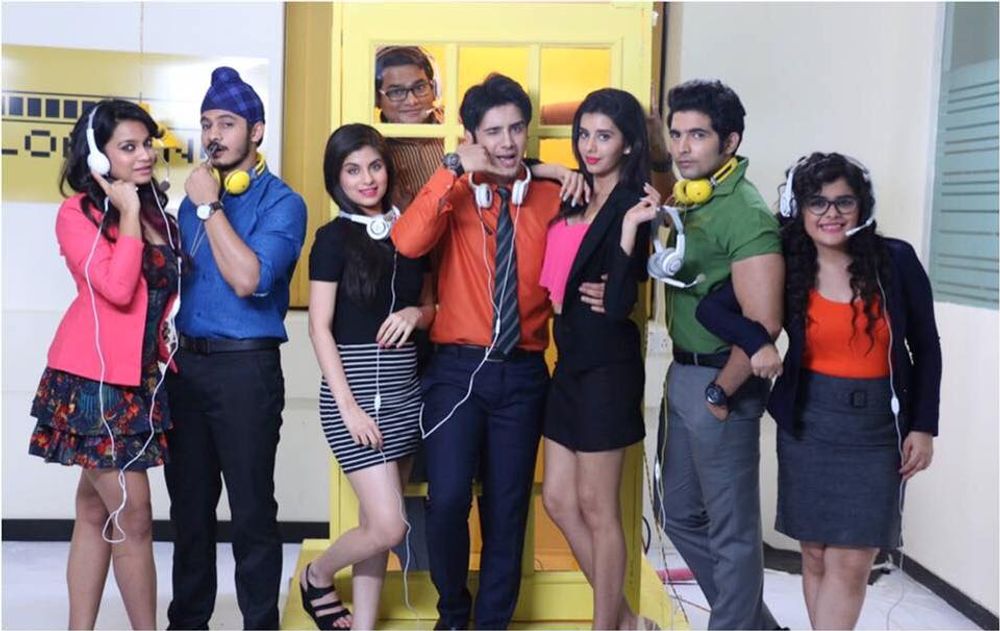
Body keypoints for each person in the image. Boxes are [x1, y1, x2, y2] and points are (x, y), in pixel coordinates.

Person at [696, 152, 942, 629]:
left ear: (862, 206)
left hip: (877, 427)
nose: (831, 213)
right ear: (799, 208)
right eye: (817, 202)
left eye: (843, 201)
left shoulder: (895, 261)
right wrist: (758, 342)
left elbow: (926, 347)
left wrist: (924, 426)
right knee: (814, 553)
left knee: (851, 560)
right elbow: (713, 309)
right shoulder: (787, 265)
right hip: (810, 420)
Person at [392, 73, 561, 630]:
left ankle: (492, 623)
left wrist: (551, 171)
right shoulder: (454, 191)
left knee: (507, 509)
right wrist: (451, 170)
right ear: (470, 137)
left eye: (516, 128)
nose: (507, 142)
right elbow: (407, 242)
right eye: (493, 132)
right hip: (455, 373)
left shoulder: (552, 196)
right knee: (446, 501)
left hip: (524, 373)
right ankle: (452, 613)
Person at [164, 66, 307, 630]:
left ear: (257, 131)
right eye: (206, 123)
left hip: (246, 369)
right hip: (185, 368)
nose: (213, 135)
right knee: (189, 511)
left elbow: (249, 279)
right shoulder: (191, 202)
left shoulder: (282, 203)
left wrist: (210, 208)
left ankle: (259, 624)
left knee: (250, 511)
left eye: (227, 123)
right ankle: (188, 622)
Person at [28, 98, 180, 630]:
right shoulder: (77, 215)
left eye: (147, 144)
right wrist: (130, 214)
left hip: (140, 382)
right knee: (132, 514)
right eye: (128, 147)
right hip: (91, 382)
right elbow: (116, 288)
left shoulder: (160, 215)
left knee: (96, 512)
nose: (144, 155)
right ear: (97, 156)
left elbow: (166, 299)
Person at [649, 79, 784, 630]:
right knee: (679, 516)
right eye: (677, 133)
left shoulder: (744, 212)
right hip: (683, 375)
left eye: (698, 135)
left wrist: (720, 390)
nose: (683, 147)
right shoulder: (691, 198)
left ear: (729, 142)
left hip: (720, 384)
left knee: (732, 533)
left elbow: (763, 324)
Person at [299, 123, 435, 630]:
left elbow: (432, 308)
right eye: (352, 170)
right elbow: (318, 327)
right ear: (336, 179)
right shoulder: (332, 239)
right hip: (353, 393)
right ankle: (317, 575)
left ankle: (364, 625)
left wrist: (417, 314)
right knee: (390, 525)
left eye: (374, 166)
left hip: (404, 391)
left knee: (375, 524)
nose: (367, 179)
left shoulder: (413, 233)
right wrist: (349, 407)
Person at [539, 88, 655, 629]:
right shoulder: (573, 193)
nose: (590, 146)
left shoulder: (637, 205)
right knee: (558, 500)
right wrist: (551, 168)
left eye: (604, 136)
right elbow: (513, 163)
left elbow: (616, 303)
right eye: (583, 134)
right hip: (568, 362)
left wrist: (628, 231)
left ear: (628, 143)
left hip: (608, 366)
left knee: (596, 505)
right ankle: (628, 622)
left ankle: (606, 626)